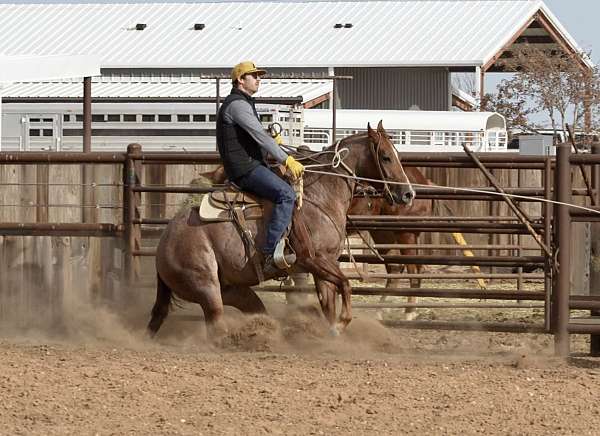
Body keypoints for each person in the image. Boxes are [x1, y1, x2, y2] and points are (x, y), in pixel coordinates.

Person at [216, 61, 304, 276]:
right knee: (286, 194)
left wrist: (273, 139)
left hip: (250, 165)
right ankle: (269, 252)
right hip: (245, 168)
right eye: (253, 75)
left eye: (258, 76)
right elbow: (259, 136)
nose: (258, 79)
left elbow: (255, 135)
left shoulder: (243, 103)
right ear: (240, 80)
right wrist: (286, 160)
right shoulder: (237, 105)